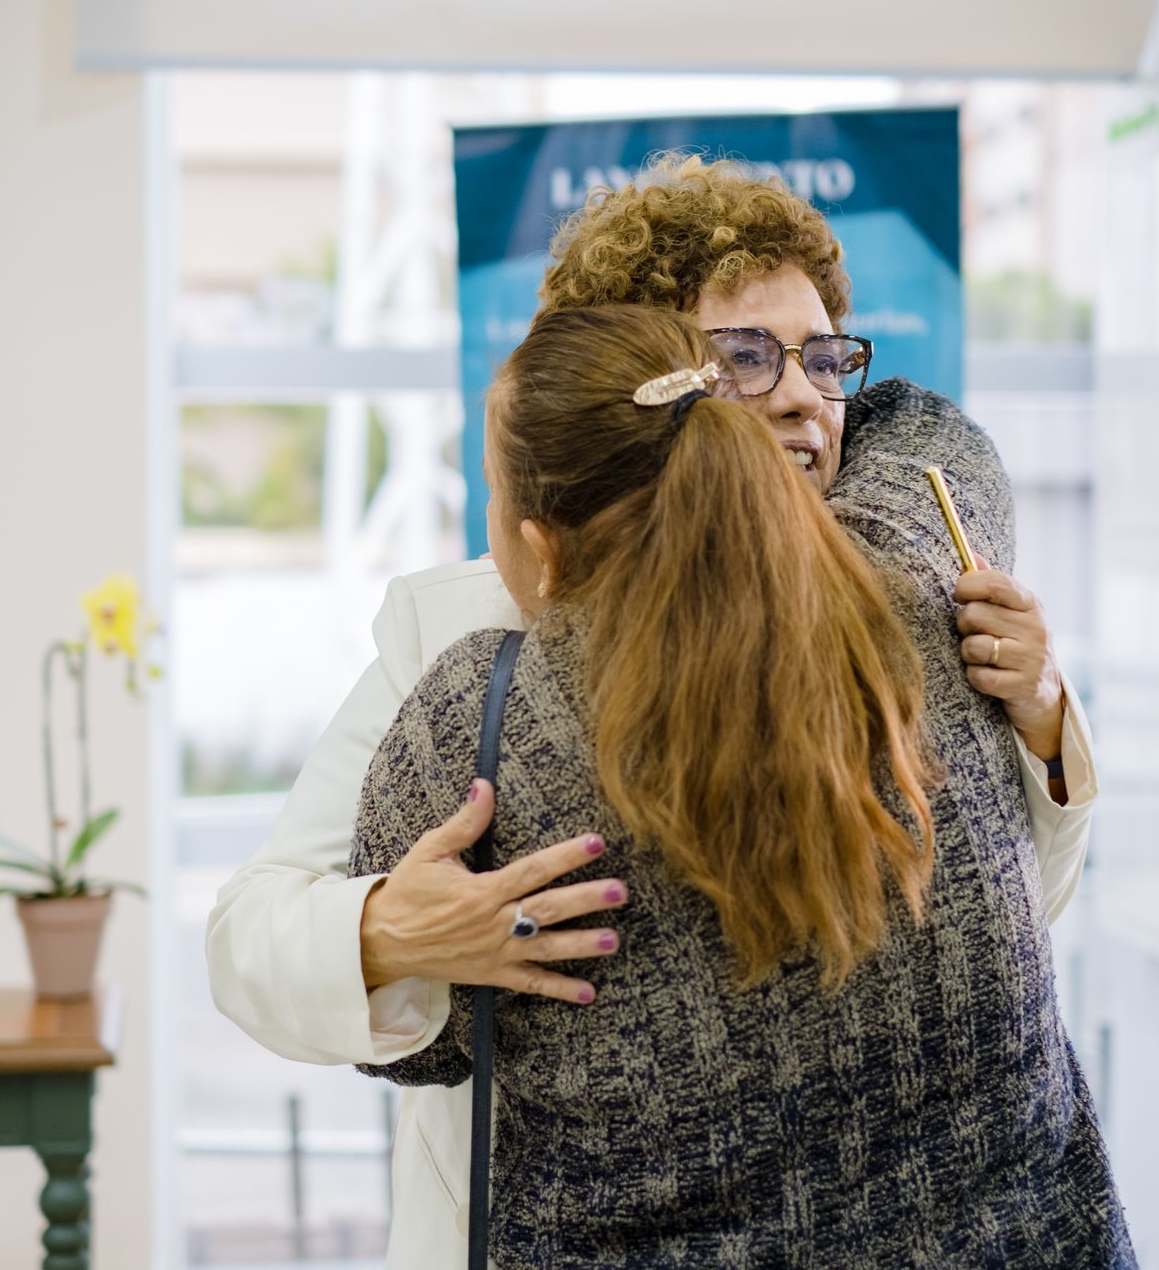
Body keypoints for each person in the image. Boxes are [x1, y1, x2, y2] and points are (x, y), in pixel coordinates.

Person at [205, 155, 1102, 1266]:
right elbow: (247, 934)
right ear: (631, 384)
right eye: (742, 357)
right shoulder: (457, 647)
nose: (799, 396)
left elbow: (1005, 916)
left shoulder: (922, 574)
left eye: (824, 357)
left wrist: (1044, 720)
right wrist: (390, 929)